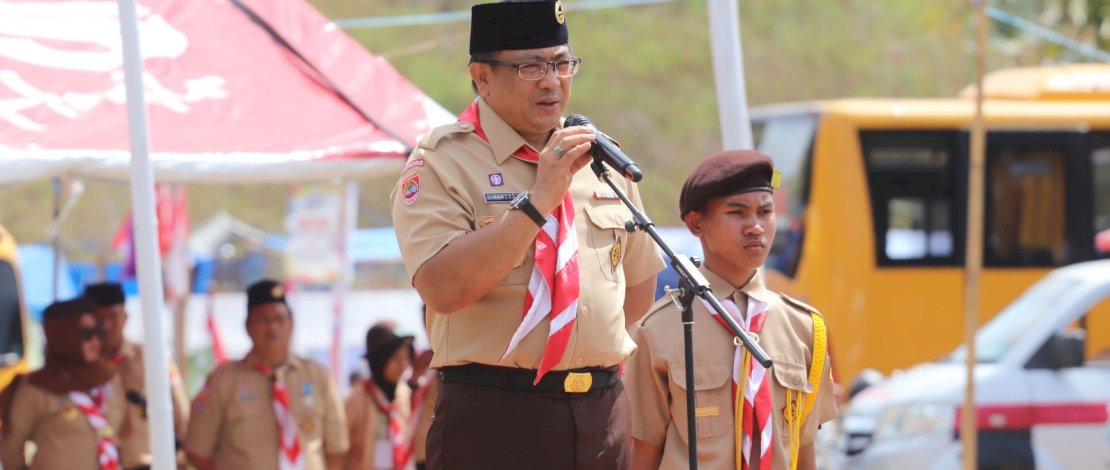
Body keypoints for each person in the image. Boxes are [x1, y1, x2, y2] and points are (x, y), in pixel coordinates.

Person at [390, 0, 665, 468]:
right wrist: (537, 202)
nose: (551, 80)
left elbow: (638, 286)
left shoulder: (598, 159)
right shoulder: (441, 162)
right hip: (496, 415)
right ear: (482, 77)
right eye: (530, 66)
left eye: (561, 63)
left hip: (600, 414)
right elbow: (443, 288)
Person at [624, 150, 838, 470]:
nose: (755, 227)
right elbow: (643, 454)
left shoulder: (804, 328)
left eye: (765, 212)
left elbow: (803, 449)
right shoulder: (657, 331)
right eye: (737, 213)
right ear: (696, 223)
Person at [184, 279, 348, 470]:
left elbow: (336, 448)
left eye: (279, 319)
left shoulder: (318, 377)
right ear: (247, 327)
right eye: (263, 319)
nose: (272, 327)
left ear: (291, 325)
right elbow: (197, 450)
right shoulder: (223, 381)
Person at [0, 297, 126, 470]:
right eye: (86, 334)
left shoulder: (109, 379)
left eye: (98, 332)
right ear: (63, 336)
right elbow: (10, 449)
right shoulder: (38, 387)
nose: (95, 341)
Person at [84, 281, 190, 470]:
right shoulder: (80, 368)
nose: (106, 325)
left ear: (125, 317)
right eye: (100, 318)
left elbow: (181, 416)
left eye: (113, 316)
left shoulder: (153, 359)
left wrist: (179, 462)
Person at [344, 322, 416, 470]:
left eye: (406, 357)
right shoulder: (355, 401)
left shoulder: (405, 395)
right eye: (395, 358)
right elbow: (338, 451)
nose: (403, 365)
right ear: (378, 360)